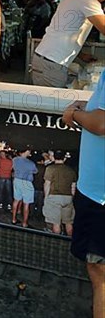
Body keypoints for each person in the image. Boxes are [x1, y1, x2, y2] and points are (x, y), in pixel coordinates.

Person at [62, 71, 105, 318]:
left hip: (100, 193)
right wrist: (88, 108)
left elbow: (101, 124)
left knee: (100, 272)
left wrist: (74, 114)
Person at [32, 0, 105, 88]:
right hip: (52, 64)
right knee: (54, 104)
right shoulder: (88, 0)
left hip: (46, 60)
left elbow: (66, 31)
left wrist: (81, 55)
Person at [42, 150, 77, 236]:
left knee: (56, 223)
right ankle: (70, 242)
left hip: (54, 197)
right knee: (68, 223)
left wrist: (46, 197)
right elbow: (73, 186)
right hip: (68, 197)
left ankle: (58, 242)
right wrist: (71, 197)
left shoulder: (50, 168)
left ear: (54, 157)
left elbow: (47, 184)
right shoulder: (71, 170)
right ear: (64, 158)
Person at [12, 149, 38, 228]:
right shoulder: (30, 163)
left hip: (17, 180)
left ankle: (13, 219)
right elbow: (35, 171)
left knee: (16, 200)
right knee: (26, 204)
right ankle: (24, 223)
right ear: (24, 152)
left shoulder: (15, 159)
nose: (30, 152)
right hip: (27, 182)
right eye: (28, 151)